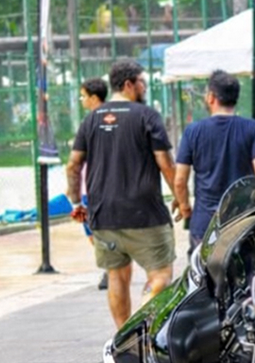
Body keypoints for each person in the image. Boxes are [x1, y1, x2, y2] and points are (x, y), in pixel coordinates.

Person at [66, 59, 181, 329]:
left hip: (104, 214)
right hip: (145, 214)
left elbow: (73, 165)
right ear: (129, 84)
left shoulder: (91, 119)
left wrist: (76, 202)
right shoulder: (147, 115)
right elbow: (166, 163)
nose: (145, 87)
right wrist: (181, 198)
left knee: (116, 276)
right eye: (142, 82)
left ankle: (124, 339)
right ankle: (144, 324)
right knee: (161, 274)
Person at [172, 70, 255, 252]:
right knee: (243, 267)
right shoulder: (252, 128)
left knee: (205, 267)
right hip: (242, 221)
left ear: (211, 97)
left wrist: (185, 208)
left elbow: (179, 181)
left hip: (205, 224)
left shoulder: (193, 131)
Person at [77, 77, 109, 290]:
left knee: (97, 229)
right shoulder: (92, 122)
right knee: (93, 230)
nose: (82, 100)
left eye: (83, 96)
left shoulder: (93, 123)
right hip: (93, 185)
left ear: (94, 98)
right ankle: (109, 265)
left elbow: (77, 158)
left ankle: (110, 267)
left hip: (94, 186)